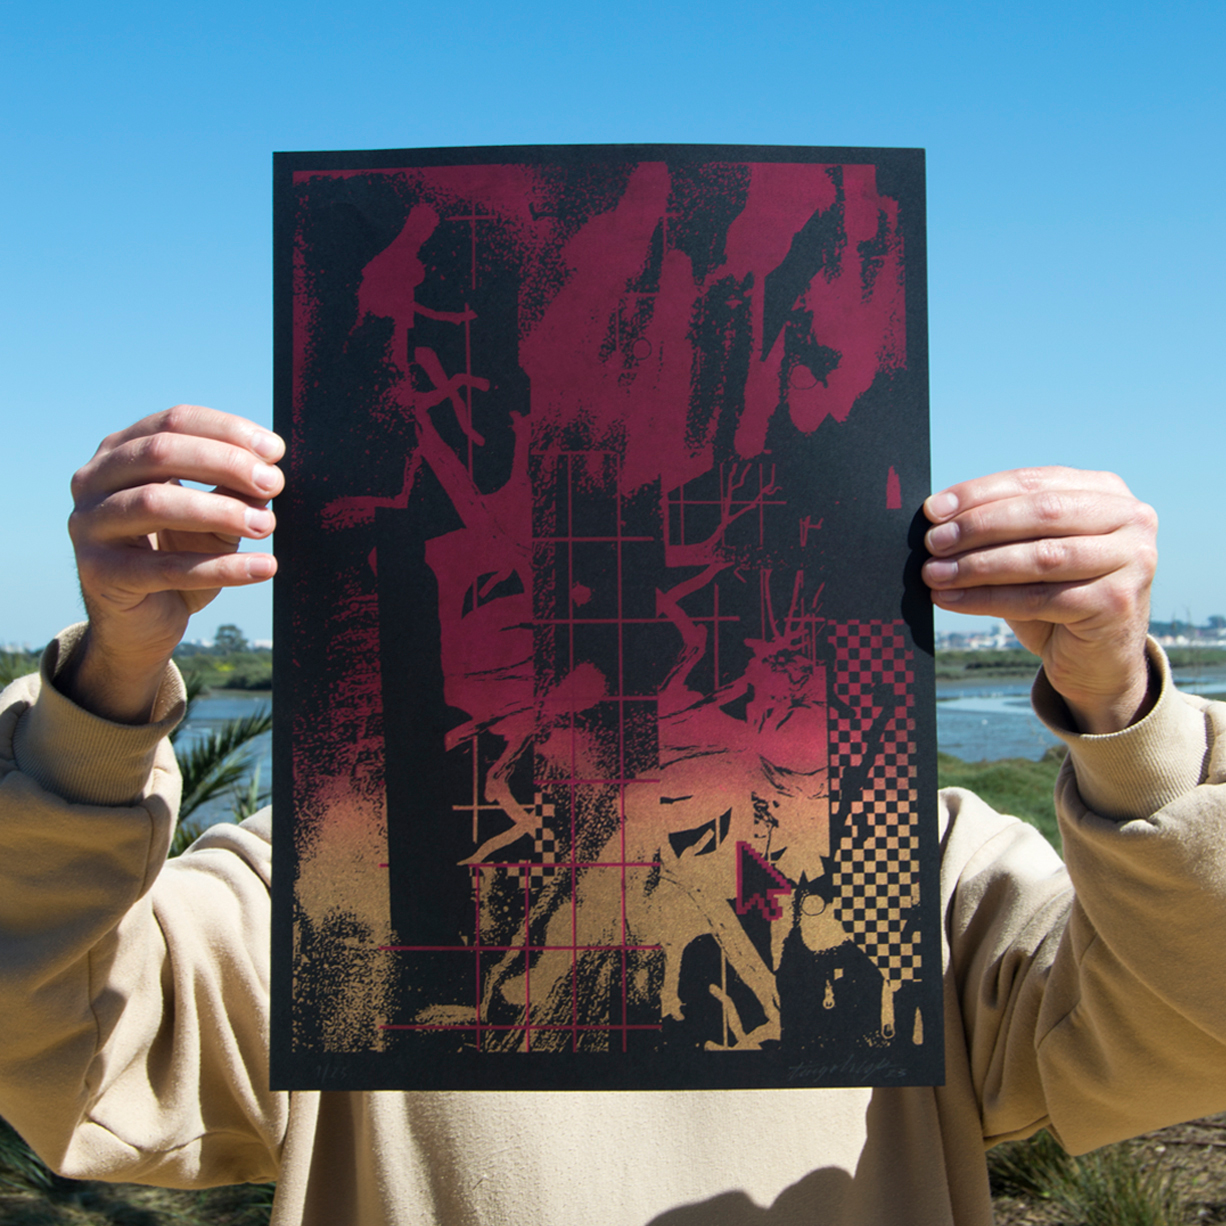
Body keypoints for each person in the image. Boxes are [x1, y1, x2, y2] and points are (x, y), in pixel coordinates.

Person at [1, 404, 1223, 1226]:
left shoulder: (913, 856)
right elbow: (65, 1048)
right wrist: (104, 686)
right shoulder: (335, 871)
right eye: (527, 588)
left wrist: (1123, 708)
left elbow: (1179, 1020)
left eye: (659, 584)